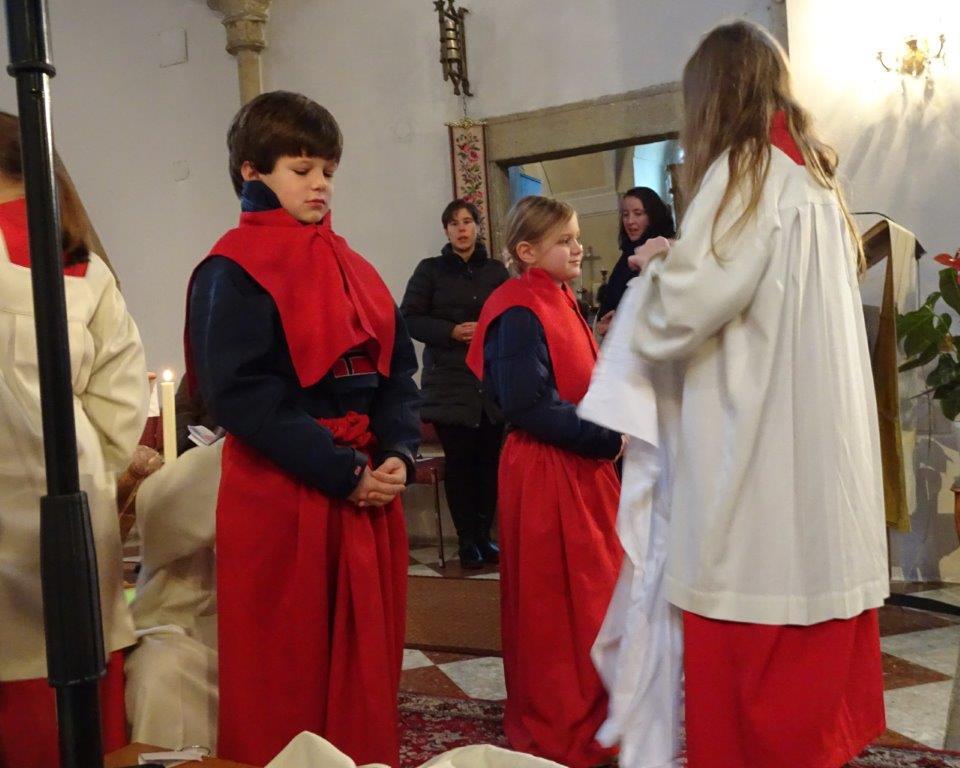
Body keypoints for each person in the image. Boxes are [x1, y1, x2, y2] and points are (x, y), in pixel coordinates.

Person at [625, 21, 888, 768]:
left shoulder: (744, 172)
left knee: (753, 725)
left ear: (711, 97)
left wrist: (654, 268)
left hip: (758, 491)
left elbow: (679, 314)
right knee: (807, 726)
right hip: (818, 492)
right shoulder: (813, 182)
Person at [185, 91, 421, 767]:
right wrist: (343, 471)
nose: (320, 184)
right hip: (285, 493)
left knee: (363, 668)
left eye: (328, 171)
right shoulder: (231, 269)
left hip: (365, 491)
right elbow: (239, 395)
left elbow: (396, 373)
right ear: (252, 171)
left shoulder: (354, 265)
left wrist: (399, 451)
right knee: (285, 672)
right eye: (302, 168)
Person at [0, 111, 148, 766]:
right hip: (74, 503)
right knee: (72, 676)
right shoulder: (82, 264)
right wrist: (100, 472)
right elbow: (121, 403)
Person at [466, 196, 624, 768]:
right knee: (559, 605)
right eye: (564, 240)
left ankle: (599, 718)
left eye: (577, 236)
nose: (578, 247)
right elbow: (526, 404)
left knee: (597, 598)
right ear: (527, 251)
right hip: (547, 469)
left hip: (577, 465)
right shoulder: (517, 308)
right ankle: (561, 725)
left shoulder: (557, 297)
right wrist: (607, 438)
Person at [400, 199, 508, 568]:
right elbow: (409, 318)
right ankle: (466, 540)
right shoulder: (430, 270)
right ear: (446, 230)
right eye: (454, 223)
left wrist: (486, 328)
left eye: (467, 222)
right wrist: (451, 331)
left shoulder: (496, 272)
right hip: (449, 381)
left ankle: (485, 536)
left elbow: (511, 315)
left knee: (489, 463)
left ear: (478, 227)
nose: (461, 229)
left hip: (489, 380)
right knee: (461, 464)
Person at [595, 187, 675, 336]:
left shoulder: (667, 251)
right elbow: (610, 304)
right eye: (625, 215)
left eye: (638, 214)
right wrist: (603, 324)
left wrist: (620, 323)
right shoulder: (626, 255)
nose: (630, 221)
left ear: (653, 216)